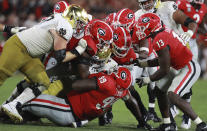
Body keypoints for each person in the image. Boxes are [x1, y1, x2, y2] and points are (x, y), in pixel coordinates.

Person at [1, 5, 89, 124]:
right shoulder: (66, 26)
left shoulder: (56, 18)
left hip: (28, 53)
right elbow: (61, 57)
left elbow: (24, 29)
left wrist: (5, 28)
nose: (81, 26)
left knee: (43, 82)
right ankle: (9, 105)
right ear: (72, 17)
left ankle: (12, 105)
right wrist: (78, 50)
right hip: (19, 48)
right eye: (80, 22)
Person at [134, 12, 207, 131]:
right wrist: (144, 64)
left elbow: (164, 69)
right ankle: (168, 124)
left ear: (151, 27)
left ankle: (201, 124)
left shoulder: (159, 39)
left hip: (188, 67)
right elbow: (163, 59)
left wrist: (147, 79)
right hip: (179, 67)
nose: (141, 30)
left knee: (173, 95)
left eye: (143, 27)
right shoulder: (161, 33)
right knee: (159, 90)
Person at [176, 0, 207, 129]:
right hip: (178, 39)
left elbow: (199, 23)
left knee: (189, 77)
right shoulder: (182, 3)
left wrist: (203, 31)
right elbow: (175, 19)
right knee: (174, 74)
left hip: (192, 43)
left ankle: (186, 115)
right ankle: (174, 105)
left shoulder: (203, 7)